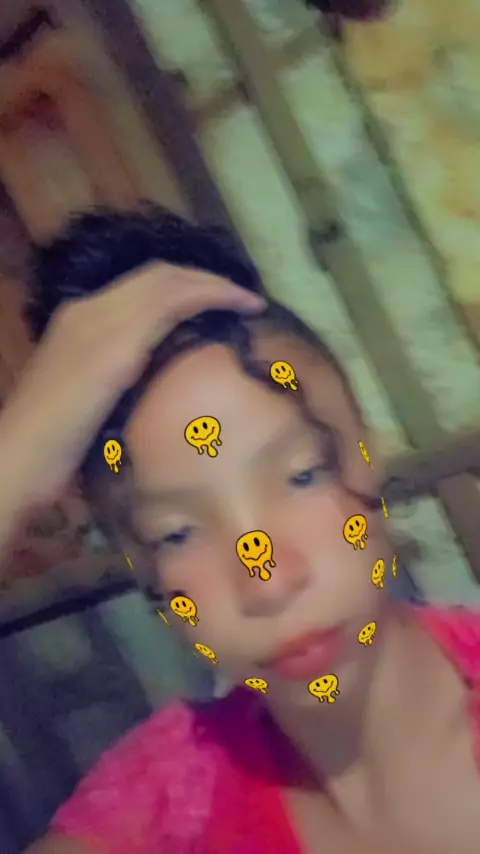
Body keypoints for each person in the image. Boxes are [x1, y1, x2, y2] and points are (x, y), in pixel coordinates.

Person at [1, 206, 479, 854]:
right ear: (138, 564)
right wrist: (15, 461)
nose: (268, 582)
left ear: (368, 448)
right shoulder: (162, 812)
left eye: (303, 475)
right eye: (177, 534)